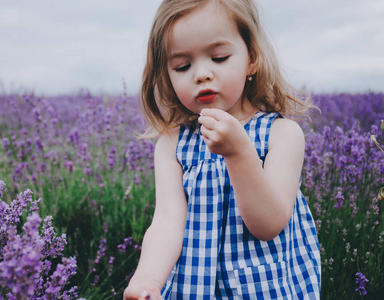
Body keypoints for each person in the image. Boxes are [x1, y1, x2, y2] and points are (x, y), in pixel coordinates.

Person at [124, 0, 321, 298]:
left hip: (261, 287)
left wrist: (239, 152)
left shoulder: (281, 135)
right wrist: (147, 280)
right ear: (167, 75)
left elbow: (268, 224)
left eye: (219, 57)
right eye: (182, 66)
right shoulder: (172, 145)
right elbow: (167, 221)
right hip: (194, 288)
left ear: (251, 58)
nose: (201, 74)